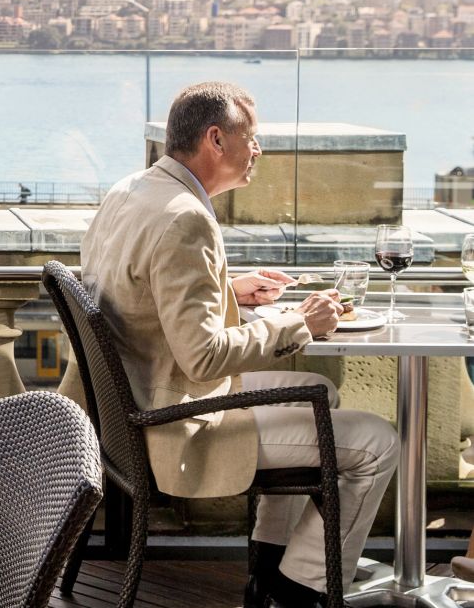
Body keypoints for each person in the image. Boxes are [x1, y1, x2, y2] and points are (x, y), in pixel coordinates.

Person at [64, 81, 396, 608]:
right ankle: (298, 588)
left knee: (315, 388)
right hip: (175, 427)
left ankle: (268, 564)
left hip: (128, 411)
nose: (259, 149)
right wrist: (300, 322)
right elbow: (203, 358)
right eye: (253, 137)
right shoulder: (185, 218)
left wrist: (226, 288)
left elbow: (142, 293)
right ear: (216, 139)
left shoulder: (133, 191)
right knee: (378, 443)